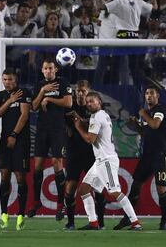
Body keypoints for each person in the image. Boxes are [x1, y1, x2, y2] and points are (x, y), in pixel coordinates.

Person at [73, 91, 142, 230]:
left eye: (92, 101)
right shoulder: (103, 114)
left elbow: (89, 139)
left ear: (99, 101)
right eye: (87, 102)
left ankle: (135, 222)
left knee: (114, 191)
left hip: (106, 161)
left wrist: (78, 126)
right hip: (100, 161)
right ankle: (93, 223)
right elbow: (96, 128)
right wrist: (83, 121)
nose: (89, 103)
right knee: (84, 189)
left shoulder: (96, 117)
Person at [114, 85, 166, 231]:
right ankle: (128, 218)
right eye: (146, 93)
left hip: (160, 154)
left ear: (157, 95)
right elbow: (146, 132)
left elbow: (155, 125)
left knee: (161, 188)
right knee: (136, 184)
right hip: (147, 155)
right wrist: (136, 125)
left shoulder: (159, 110)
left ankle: (164, 220)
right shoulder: (147, 112)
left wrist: (143, 114)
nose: (148, 96)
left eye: (151, 93)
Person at [28, 57, 72, 220]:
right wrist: (42, 92)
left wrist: (49, 98)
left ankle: (61, 204)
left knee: (56, 163)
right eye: (45, 68)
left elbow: (68, 102)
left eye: (50, 68)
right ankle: (36, 201)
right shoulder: (40, 85)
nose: (48, 71)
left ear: (56, 69)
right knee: (38, 165)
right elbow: (33, 107)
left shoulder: (63, 83)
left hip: (57, 129)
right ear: (42, 70)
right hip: (42, 130)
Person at [63, 80, 105, 230]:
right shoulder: (69, 107)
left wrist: (80, 121)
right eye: (78, 91)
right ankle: (71, 222)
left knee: (97, 189)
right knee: (70, 188)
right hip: (74, 153)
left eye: (83, 91)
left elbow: (96, 127)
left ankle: (100, 222)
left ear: (89, 91)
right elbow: (65, 128)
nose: (80, 94)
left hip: (91, 154)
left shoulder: (94, 109)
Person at [0, 68, 31, 230]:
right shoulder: (2, 96)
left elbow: (24, 115)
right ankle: (4, 214)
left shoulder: (24, 93)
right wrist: (9, 101)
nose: (7, 82)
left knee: (20, 177)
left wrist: (14, 135)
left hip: (20, 141)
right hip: (4, 141)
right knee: (4, 175)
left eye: (10, 79)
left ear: (15, 80)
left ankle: (20, 215)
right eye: (5, 79)